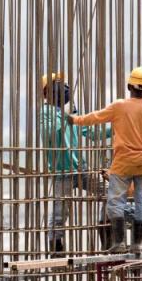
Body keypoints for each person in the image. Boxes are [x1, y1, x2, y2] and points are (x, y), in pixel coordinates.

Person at [68, 67, 142, 253]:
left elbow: (95, 117)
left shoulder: (119, 106)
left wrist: (75, 120)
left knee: (115, 202)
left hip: (123, 164)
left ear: (129, 86)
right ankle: (137, 244)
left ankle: (119, 243)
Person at [39, 72, 111, 253]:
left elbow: (91, 133)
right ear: (46, 93)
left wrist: (116, 127)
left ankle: (106, 231)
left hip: (81, 168)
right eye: (56, 86)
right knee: (59, 214)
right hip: (62, 171)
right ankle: (57, 248)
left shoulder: (71, 110)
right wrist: (64, 116)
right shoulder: (45, 112)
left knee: (111, 192)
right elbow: (48, 134)